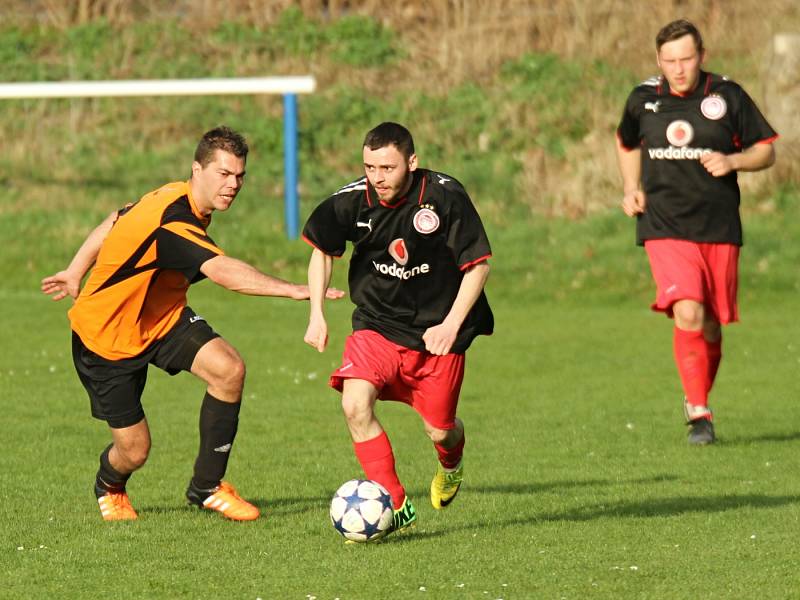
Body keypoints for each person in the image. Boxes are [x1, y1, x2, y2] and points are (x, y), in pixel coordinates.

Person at [41, 126, 343, 521]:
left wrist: (75, 269)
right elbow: (225, 273)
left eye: (239, 176)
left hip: (162, 318)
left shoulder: (174, 194)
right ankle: (109, 485)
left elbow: (116, 217)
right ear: (196, 169)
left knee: (229, 369)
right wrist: (293, 290)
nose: (233, 184)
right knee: (135, 450)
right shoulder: (175, 222)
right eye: (223, 174)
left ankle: (207, 486)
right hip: (106, 337)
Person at [302, 122, 493, 535]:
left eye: (387, 167)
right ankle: (395, 502)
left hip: (438, 334)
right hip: (378, 325)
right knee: (354, 404)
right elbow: (322, 251)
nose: (377, 177)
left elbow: (478, 266)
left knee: (440, 429)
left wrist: (450, 324)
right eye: (370, 166)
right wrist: (316, 312)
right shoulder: (351, 202)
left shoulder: (443, 197)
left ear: (412, 162)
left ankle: (451, 462)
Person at [615, 20, 777, 445]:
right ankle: (698, 412)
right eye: (669, 61)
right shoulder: (643, 99)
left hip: (719, 226)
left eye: (686, 59)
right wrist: (631, 188)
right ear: (658, 61)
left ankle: (700, 396)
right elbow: (627, 143)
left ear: (701, 56)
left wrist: (733, 162)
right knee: (688, 310)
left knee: (710, 324)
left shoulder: (727, 95)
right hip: (664, 224)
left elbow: (766, 151)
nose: (678, 68)